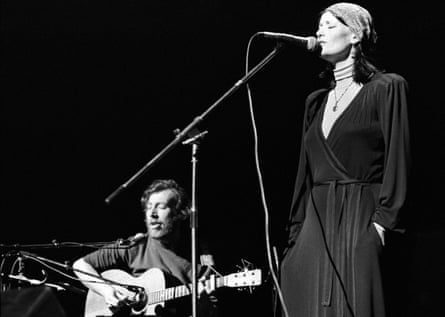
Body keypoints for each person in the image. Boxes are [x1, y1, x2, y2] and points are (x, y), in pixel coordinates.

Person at [279, 3, 410, 317]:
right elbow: (304, 174)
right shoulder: (315, 102)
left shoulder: (387, 88)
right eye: (319, 25)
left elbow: (399, 158)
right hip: (315, 223)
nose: (319, 31)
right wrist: (295, 236)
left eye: (329, 24)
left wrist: (381, 224)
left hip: (361, 214)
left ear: (355, 34)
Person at [73, 179, 218, 317]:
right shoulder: (136, 246)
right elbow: (80, 265)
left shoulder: (199, 258)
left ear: (180, 213)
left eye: (161, 207)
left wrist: (203, 303)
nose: (152, 214)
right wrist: (106, 291)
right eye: (148, 207)